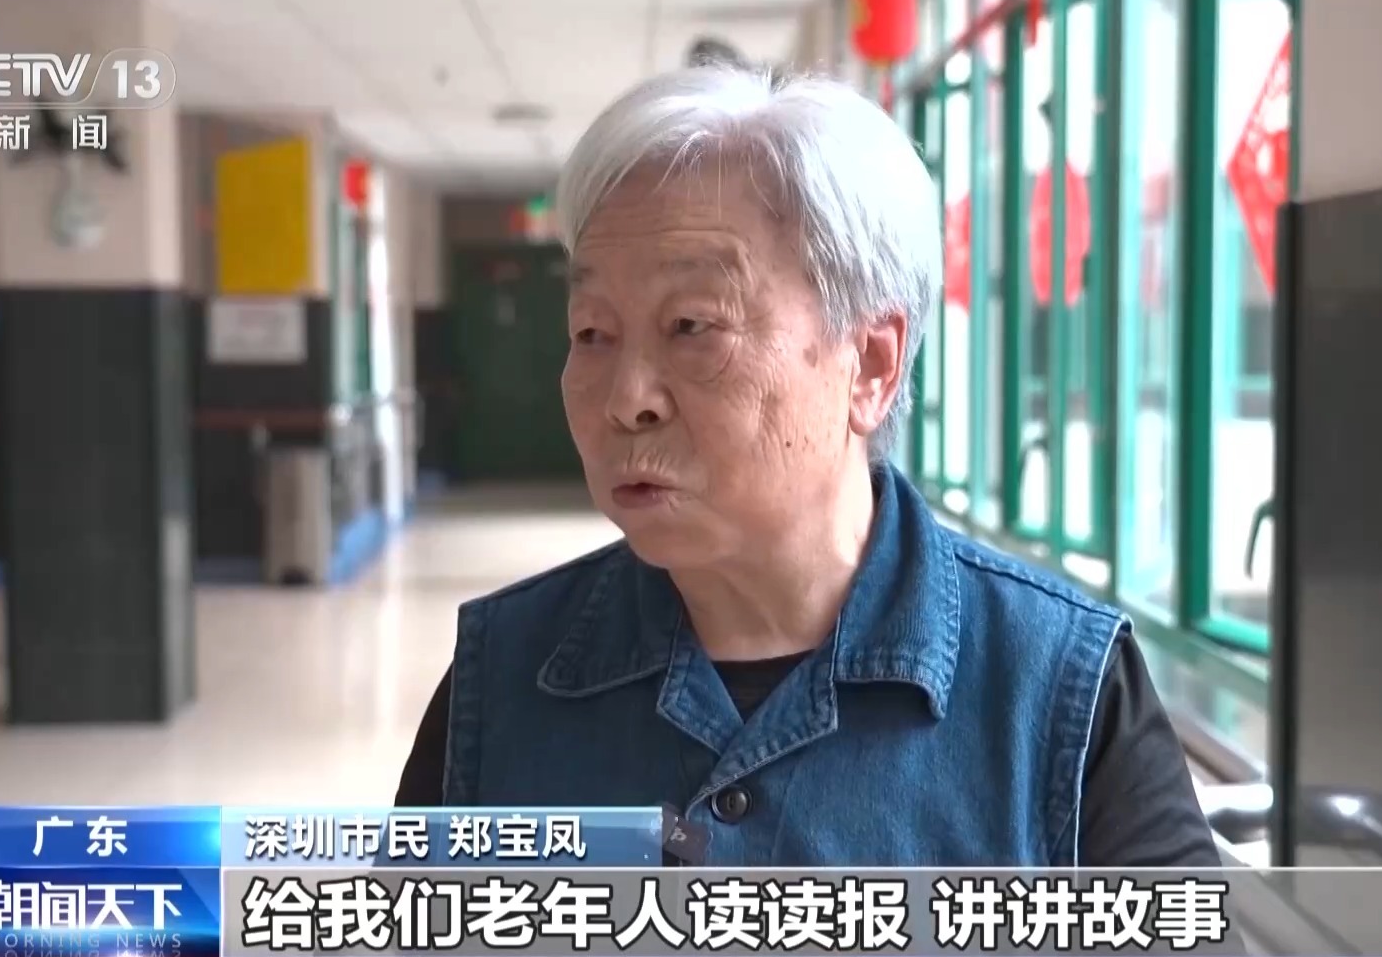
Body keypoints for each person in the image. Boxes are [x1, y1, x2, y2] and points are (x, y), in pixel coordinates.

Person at [395, 64, 1219, 868]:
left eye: (691, 326)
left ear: (871, 366)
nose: (626, 398)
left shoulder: (1062, 691)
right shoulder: (502, 683)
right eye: (591, 332)